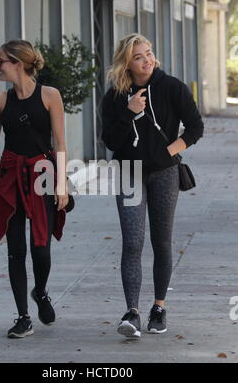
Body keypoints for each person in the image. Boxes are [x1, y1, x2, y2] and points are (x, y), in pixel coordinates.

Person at [102, 33, 204, 338]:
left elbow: (196, 127)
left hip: (164, 173)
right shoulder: (115, 96)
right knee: (132, 242)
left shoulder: (172, 87)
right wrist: (128, 111)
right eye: (138, 57)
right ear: (127, 63)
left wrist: (168, 151)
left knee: (162, 241)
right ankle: (131, 312)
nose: (147, 60)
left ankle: (158, 307)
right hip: (129, 172)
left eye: (149, 53)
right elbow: (109, 140)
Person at [0, 39, 68, 339]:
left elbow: (60, 142)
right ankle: (23, 317)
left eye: (1, 60)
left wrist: (62, 183)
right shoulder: (0, 101)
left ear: (18, 63)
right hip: (11, 178)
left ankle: (40, 292)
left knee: (41, 250)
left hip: (42, 176)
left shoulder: (50, 95)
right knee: (16, 252)